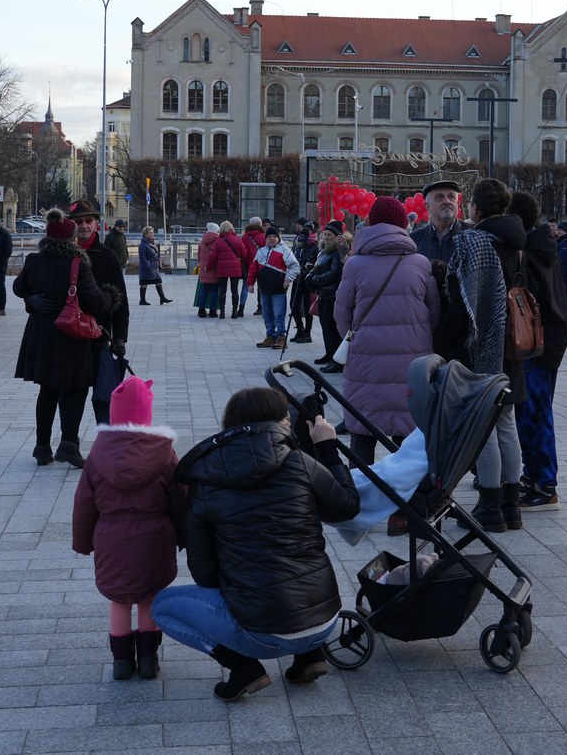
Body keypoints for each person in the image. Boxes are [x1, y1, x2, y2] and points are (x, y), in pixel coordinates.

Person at [153, 387, 358, 701]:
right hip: (325, 620)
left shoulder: (203, 479)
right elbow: (347, 507)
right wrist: (327, 448)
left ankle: (242, 667)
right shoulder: (302, 462)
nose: (289, 423)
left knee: (161, 607)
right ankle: (310, 655)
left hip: (261, 635)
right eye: (286, 418)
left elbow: (204, 575)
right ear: (277, 423)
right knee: (296, 579)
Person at [72, 375, 182, 681]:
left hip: (111, 538)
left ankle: (121, 661)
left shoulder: (98, 453)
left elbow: (84, 501)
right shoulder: (164, 452)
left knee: (119, 601)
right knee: (149, 598)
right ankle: (148, 659)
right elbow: (179, 496)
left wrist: (83, 541)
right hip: (155, 538)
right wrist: (185, 533)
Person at [332, 197, 437, 473]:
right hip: (413, 361)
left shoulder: (354, 264)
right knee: (408, 433)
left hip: (365, 361)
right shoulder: (421, 263)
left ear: (371, 222)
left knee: (362, 429)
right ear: (404, 224)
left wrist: (358, 339)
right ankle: (404, 495)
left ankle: (360, 491)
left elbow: (341, 315)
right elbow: (433, 313)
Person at [13, 217, 116, 468]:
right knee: (75, 388)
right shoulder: (77, 263)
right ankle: (68, 444)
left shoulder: (34, 260)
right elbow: (97, 302)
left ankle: (42, 447)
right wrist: (111, 294)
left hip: (40, 335)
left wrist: (32, 299)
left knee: (47, 389)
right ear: (71, 238)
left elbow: (17, 288)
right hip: (70, 336)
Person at [448, 178, 520, 532]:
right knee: (506, 422)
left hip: (483, 347)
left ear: (474, 208)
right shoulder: (518, 240)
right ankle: (511, 505)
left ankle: (490, 505)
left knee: (485, 425)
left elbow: (462, 304)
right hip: (511, 346)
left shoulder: (473, 242)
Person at [512, 193, 567, 512]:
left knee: (535, 414)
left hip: (535, 342)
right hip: (551, 337)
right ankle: (535, 476)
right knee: (534, 412)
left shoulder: (527, 253)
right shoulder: (544, 247)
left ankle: (545, 484)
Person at [73, 200, 130, 426]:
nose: (84, 225)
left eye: (88, 220)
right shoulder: (64, 253)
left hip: (99, 333)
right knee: (73, 392)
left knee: (104, 392)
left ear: (97, 223)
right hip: (70, 334)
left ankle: (106, 437)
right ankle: (70, 439)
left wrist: (120, 337)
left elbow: (120, 300)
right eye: (78, 221)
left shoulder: (107, 256)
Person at [249, 227, 300, 349]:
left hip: (278, 289)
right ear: (265, 239)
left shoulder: (285, 250)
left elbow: (295, 266)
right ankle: (270, 336)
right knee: (267, 315)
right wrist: (250, 283)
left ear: (278, 238)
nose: (272, 239)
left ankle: (281, 337)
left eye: (274, 236)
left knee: (278, 315)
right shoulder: (261, 251)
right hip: (264, 289)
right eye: (269, 237)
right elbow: (253, 269)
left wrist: (288, 279)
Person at [306, 222, 346, 372]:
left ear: (337, 237)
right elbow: (320, 267)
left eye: (330, 235)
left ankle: (337, 361)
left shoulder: (336, 252)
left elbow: (335, 273)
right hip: (323, 293)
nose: (327, 237)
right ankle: (329, 354)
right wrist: (311, 271)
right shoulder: (323, 251)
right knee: (324, 326)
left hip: (332, 294)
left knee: (331, 328)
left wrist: (315, 279)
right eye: (325, 234)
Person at [411, 178, 467, 263]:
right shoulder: (414, 240)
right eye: (439, 197)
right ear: (427, 207)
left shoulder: (474, 236)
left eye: (451, 196)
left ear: (457, 203)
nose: (447, 201)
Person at [211, 221, 250, 319]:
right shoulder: (238, 240)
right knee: (234, 290)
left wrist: (208, 267)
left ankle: (222, 312)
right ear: (232, 229)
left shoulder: (218, 241)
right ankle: (234, 312)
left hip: (222, 269)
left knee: (222, 291)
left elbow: (212, 256)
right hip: (235, 269)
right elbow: (244, 254)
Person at [289, 219, 318, 342]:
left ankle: (307, 333)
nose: (305, 232)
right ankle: (300, 329)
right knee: (293, 305)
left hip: (308, 280)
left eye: (309, 230)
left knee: (307, 307)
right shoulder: (298, 243)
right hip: (297, 277)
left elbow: (317, 264)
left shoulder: (315, 245)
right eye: (304, 229)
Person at [137, 226, 173, 306]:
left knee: (158, 281)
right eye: (150, 233)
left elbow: (155, 253)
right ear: (145, 234)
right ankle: (142, 300)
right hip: (147, 268)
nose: (152, 234)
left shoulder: (150, 242)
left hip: (154, 267)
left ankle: (162, 298)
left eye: (152, 232)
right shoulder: (143, 245)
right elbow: (142, 258)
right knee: (144, 283)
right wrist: (148, 266)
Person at [238, 216, 266, 317]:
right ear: (260, 224)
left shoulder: (245, 236)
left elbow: (242, 251)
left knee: (245, 287)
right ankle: (262, 308)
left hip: (248, 265)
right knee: (262, 287)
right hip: (261, 264)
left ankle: (241, 309)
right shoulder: (264, 236)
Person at [196, 222, 221, 318]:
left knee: (204, 290)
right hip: (214, 268)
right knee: (214, 290)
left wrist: (202, 264)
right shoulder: (218, 241)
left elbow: (198, 255)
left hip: (204, 268)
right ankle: (212, 311)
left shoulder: (202, 241)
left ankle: (201, 310)